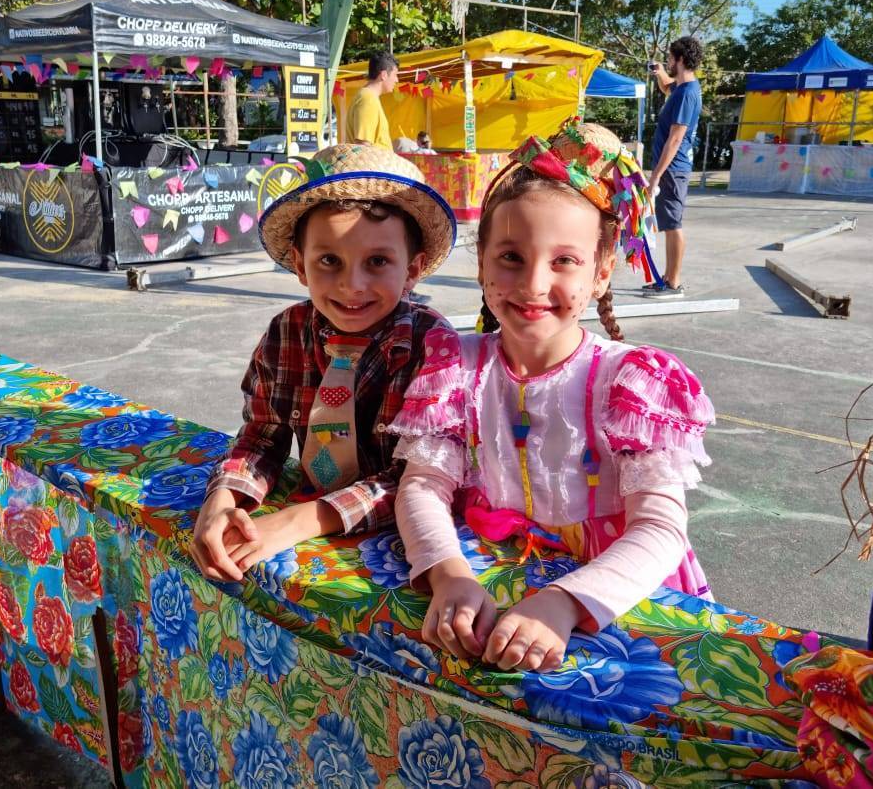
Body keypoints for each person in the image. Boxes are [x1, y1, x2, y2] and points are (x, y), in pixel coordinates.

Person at [389, 121, 714, 673]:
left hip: (616, 599)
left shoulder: (631, 383)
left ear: (602, 272)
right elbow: (423, 484)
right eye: (510, 257)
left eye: (564, 260)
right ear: (482, 264)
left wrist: (566, 602)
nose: (534, 284)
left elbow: (659, 529)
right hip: (492, 584)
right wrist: (449, 575)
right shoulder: (456, 366)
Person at [188, 143, 457, 581]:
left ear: (412, 269)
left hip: (404, 551)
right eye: (329, 260)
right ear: (300, 264)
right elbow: (261, 437)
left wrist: (297, 521)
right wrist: (223, 500)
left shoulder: (433, 347)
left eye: (378, 261)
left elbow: (419, 481)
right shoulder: (286, 332)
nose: (352, 285)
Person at [645, 36, 704, 299]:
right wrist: (659, 73)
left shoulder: (688, 94)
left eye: (669, 58)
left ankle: (673, 284)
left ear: (679, 59)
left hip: (674, 168)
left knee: (673, 224)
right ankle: (667, 278)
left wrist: (656, 176)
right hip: (672, 168)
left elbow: (676, 137)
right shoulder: (680, 88)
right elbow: (667, 86)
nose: (668, 62)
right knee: (669, 223)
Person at [345, 52, 399, 148]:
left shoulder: (368, 97)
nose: (397, 80)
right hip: (371, 162)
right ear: (384, 75)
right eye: (395, 75)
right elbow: (362, 147)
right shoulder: (368, 99)